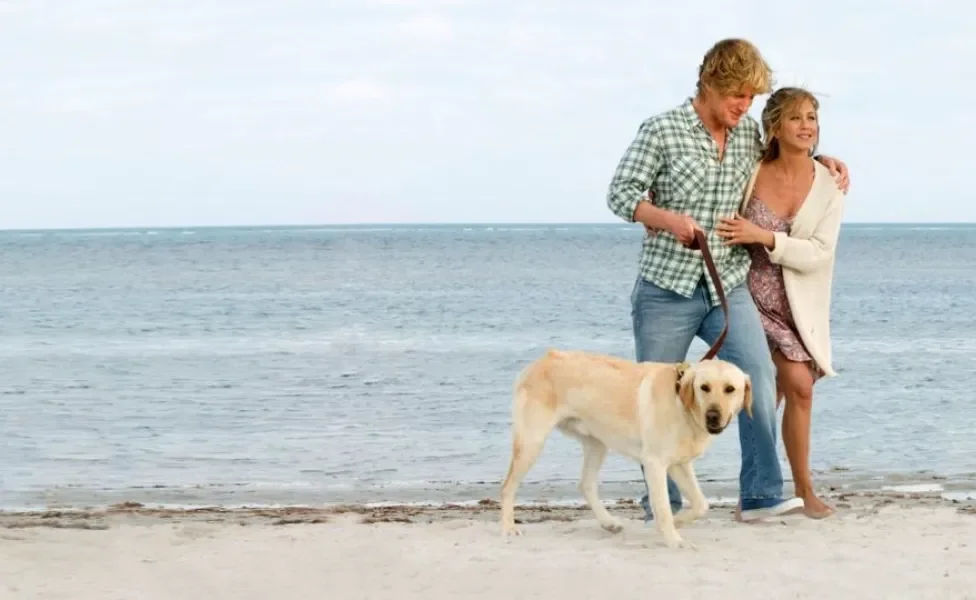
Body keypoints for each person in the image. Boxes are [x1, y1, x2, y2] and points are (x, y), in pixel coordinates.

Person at [605, 38, 850, 524]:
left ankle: (760, 494)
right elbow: (619, 194)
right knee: (659, 396)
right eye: (737, 94)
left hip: (726, 285)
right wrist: (664, 218)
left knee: (756, 377)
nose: (744, 106)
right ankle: (664, 503)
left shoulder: (744, 139)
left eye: (752, 98)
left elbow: (785, 155)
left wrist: (824, 160)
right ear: (709, 84)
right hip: (665, 289)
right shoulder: (662, 130)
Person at [715, 87, 845, 519]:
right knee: (792, 386)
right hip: (745, 295)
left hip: (795, 305)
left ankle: (774, 491)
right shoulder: (750, 167)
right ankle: (777, 491)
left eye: (812, 117)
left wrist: (766, 237)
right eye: (796, 118)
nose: (807, 125)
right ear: (774, 126)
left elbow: (820, 252)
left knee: (775, 395)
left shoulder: (829, 184)